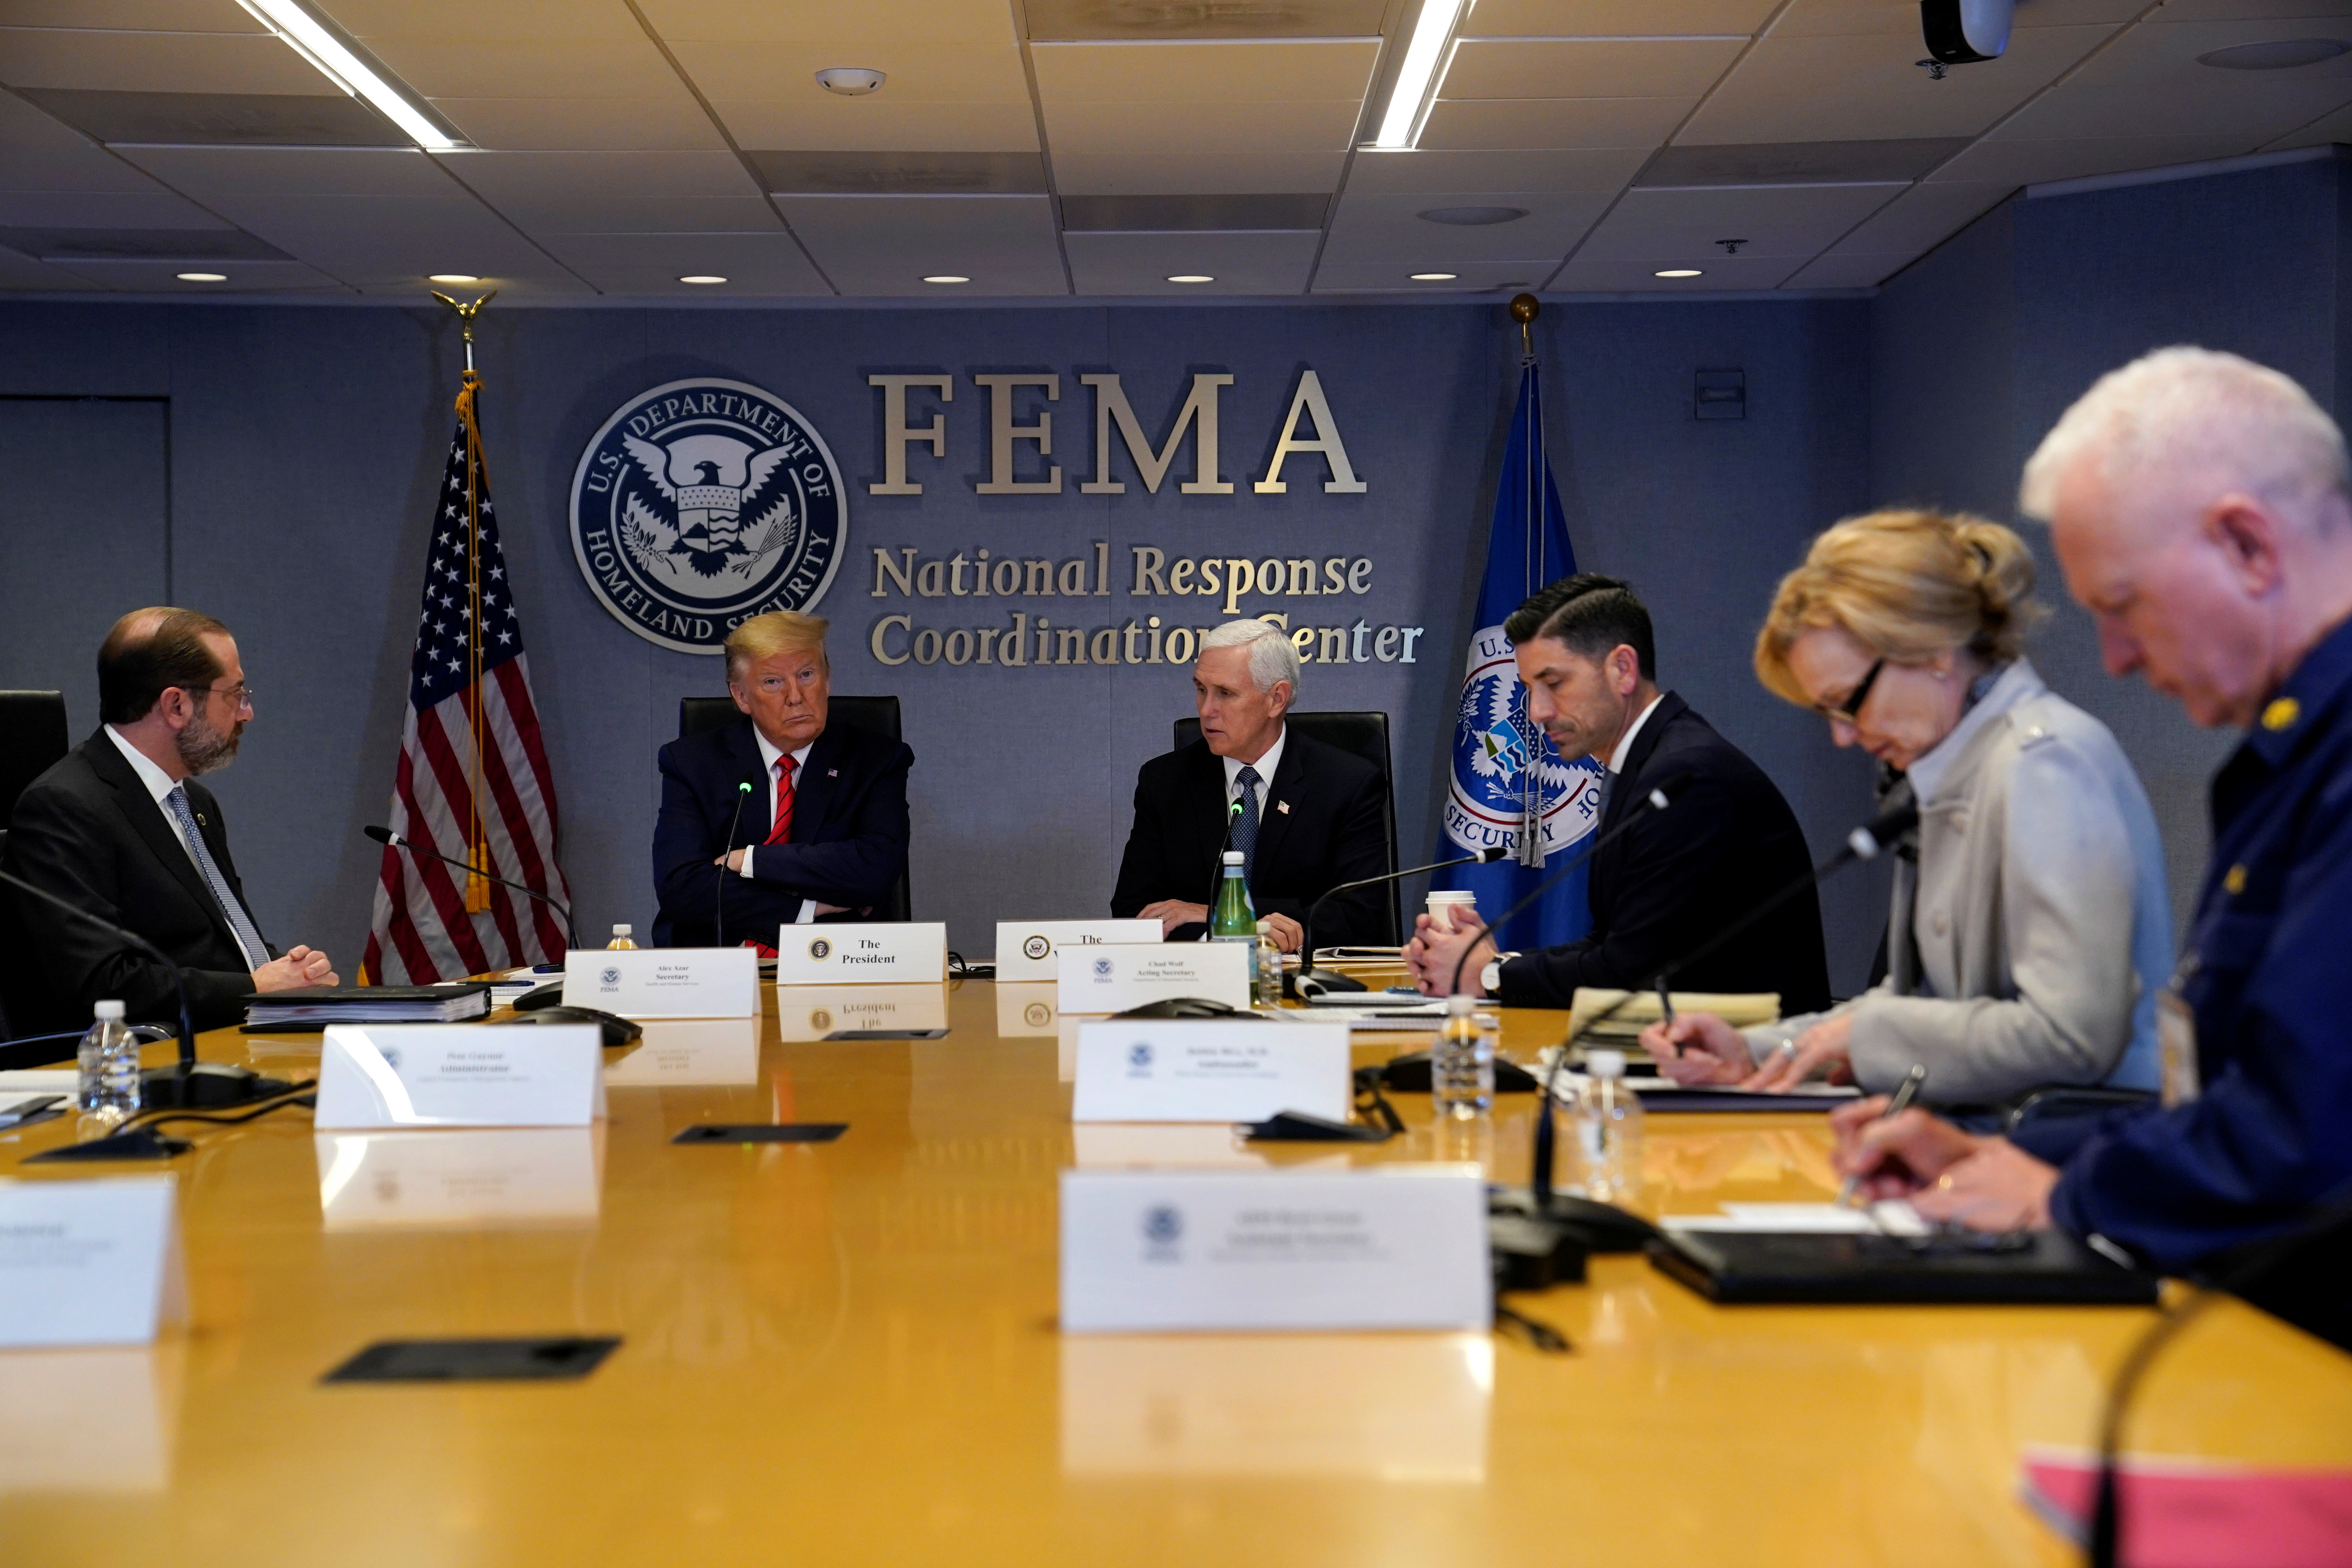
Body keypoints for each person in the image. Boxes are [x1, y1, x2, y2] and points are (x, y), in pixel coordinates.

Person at [1837, 347, 2352, 1277]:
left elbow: (2304, 1125)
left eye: (2124, 605)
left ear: (2247, 545)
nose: (2114, 658)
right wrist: (2024, 1159)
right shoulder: (2288, 753)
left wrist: (2065, 1191)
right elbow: (2230, 1098)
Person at [1639, 511, 2172, 1107]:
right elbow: (1920, 1001)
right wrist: (1762, 1050)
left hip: (2067, 1162)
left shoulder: (2045, 765)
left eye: (1848, 703)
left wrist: (1864, 1035)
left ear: (1933, 652)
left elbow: (2068, 1037)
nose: (1844, 737)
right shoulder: (1953, 765)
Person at [1405, 574, 1831, 1012]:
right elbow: (1612, 945)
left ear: (1623, 669)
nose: (1537, 712)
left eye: (1554, 684)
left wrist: (1489, 974)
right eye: (1530, 690)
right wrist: (1492, 964)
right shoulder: (1654, 760)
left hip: (1749, 1067)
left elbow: (1628, 973)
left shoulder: (1687, 779)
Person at [0, 608, 337, 1034]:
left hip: (229, 1036)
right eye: (235, 695)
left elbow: (213, 944)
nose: (246, 713)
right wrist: (255, 986)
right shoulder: (64, 807)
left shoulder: (194, 802)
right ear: (176, 705)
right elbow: (99, 985)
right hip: (140, 1065)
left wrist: (287, 971)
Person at [1111, 618, 1389, 953]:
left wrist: (1220, 917)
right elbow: (1134, 913)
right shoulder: (1165, 782)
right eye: (1201, 690)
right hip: (1194, 982)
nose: (1206, 710)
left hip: (1302, 984)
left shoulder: (1348, 784)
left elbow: (1359, 918)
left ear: (1277, 699)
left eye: (1225, 694)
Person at [652, 612, 912, 949]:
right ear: (742, 697)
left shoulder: (876, 759)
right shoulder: (691, 762)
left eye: (806, 675)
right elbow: (681, 889)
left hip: (835, 962)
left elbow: (874, 870)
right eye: (773, 682)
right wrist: (805, 909)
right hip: (714, 967)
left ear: (827, 679)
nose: (795, 696)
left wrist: (748, 861)